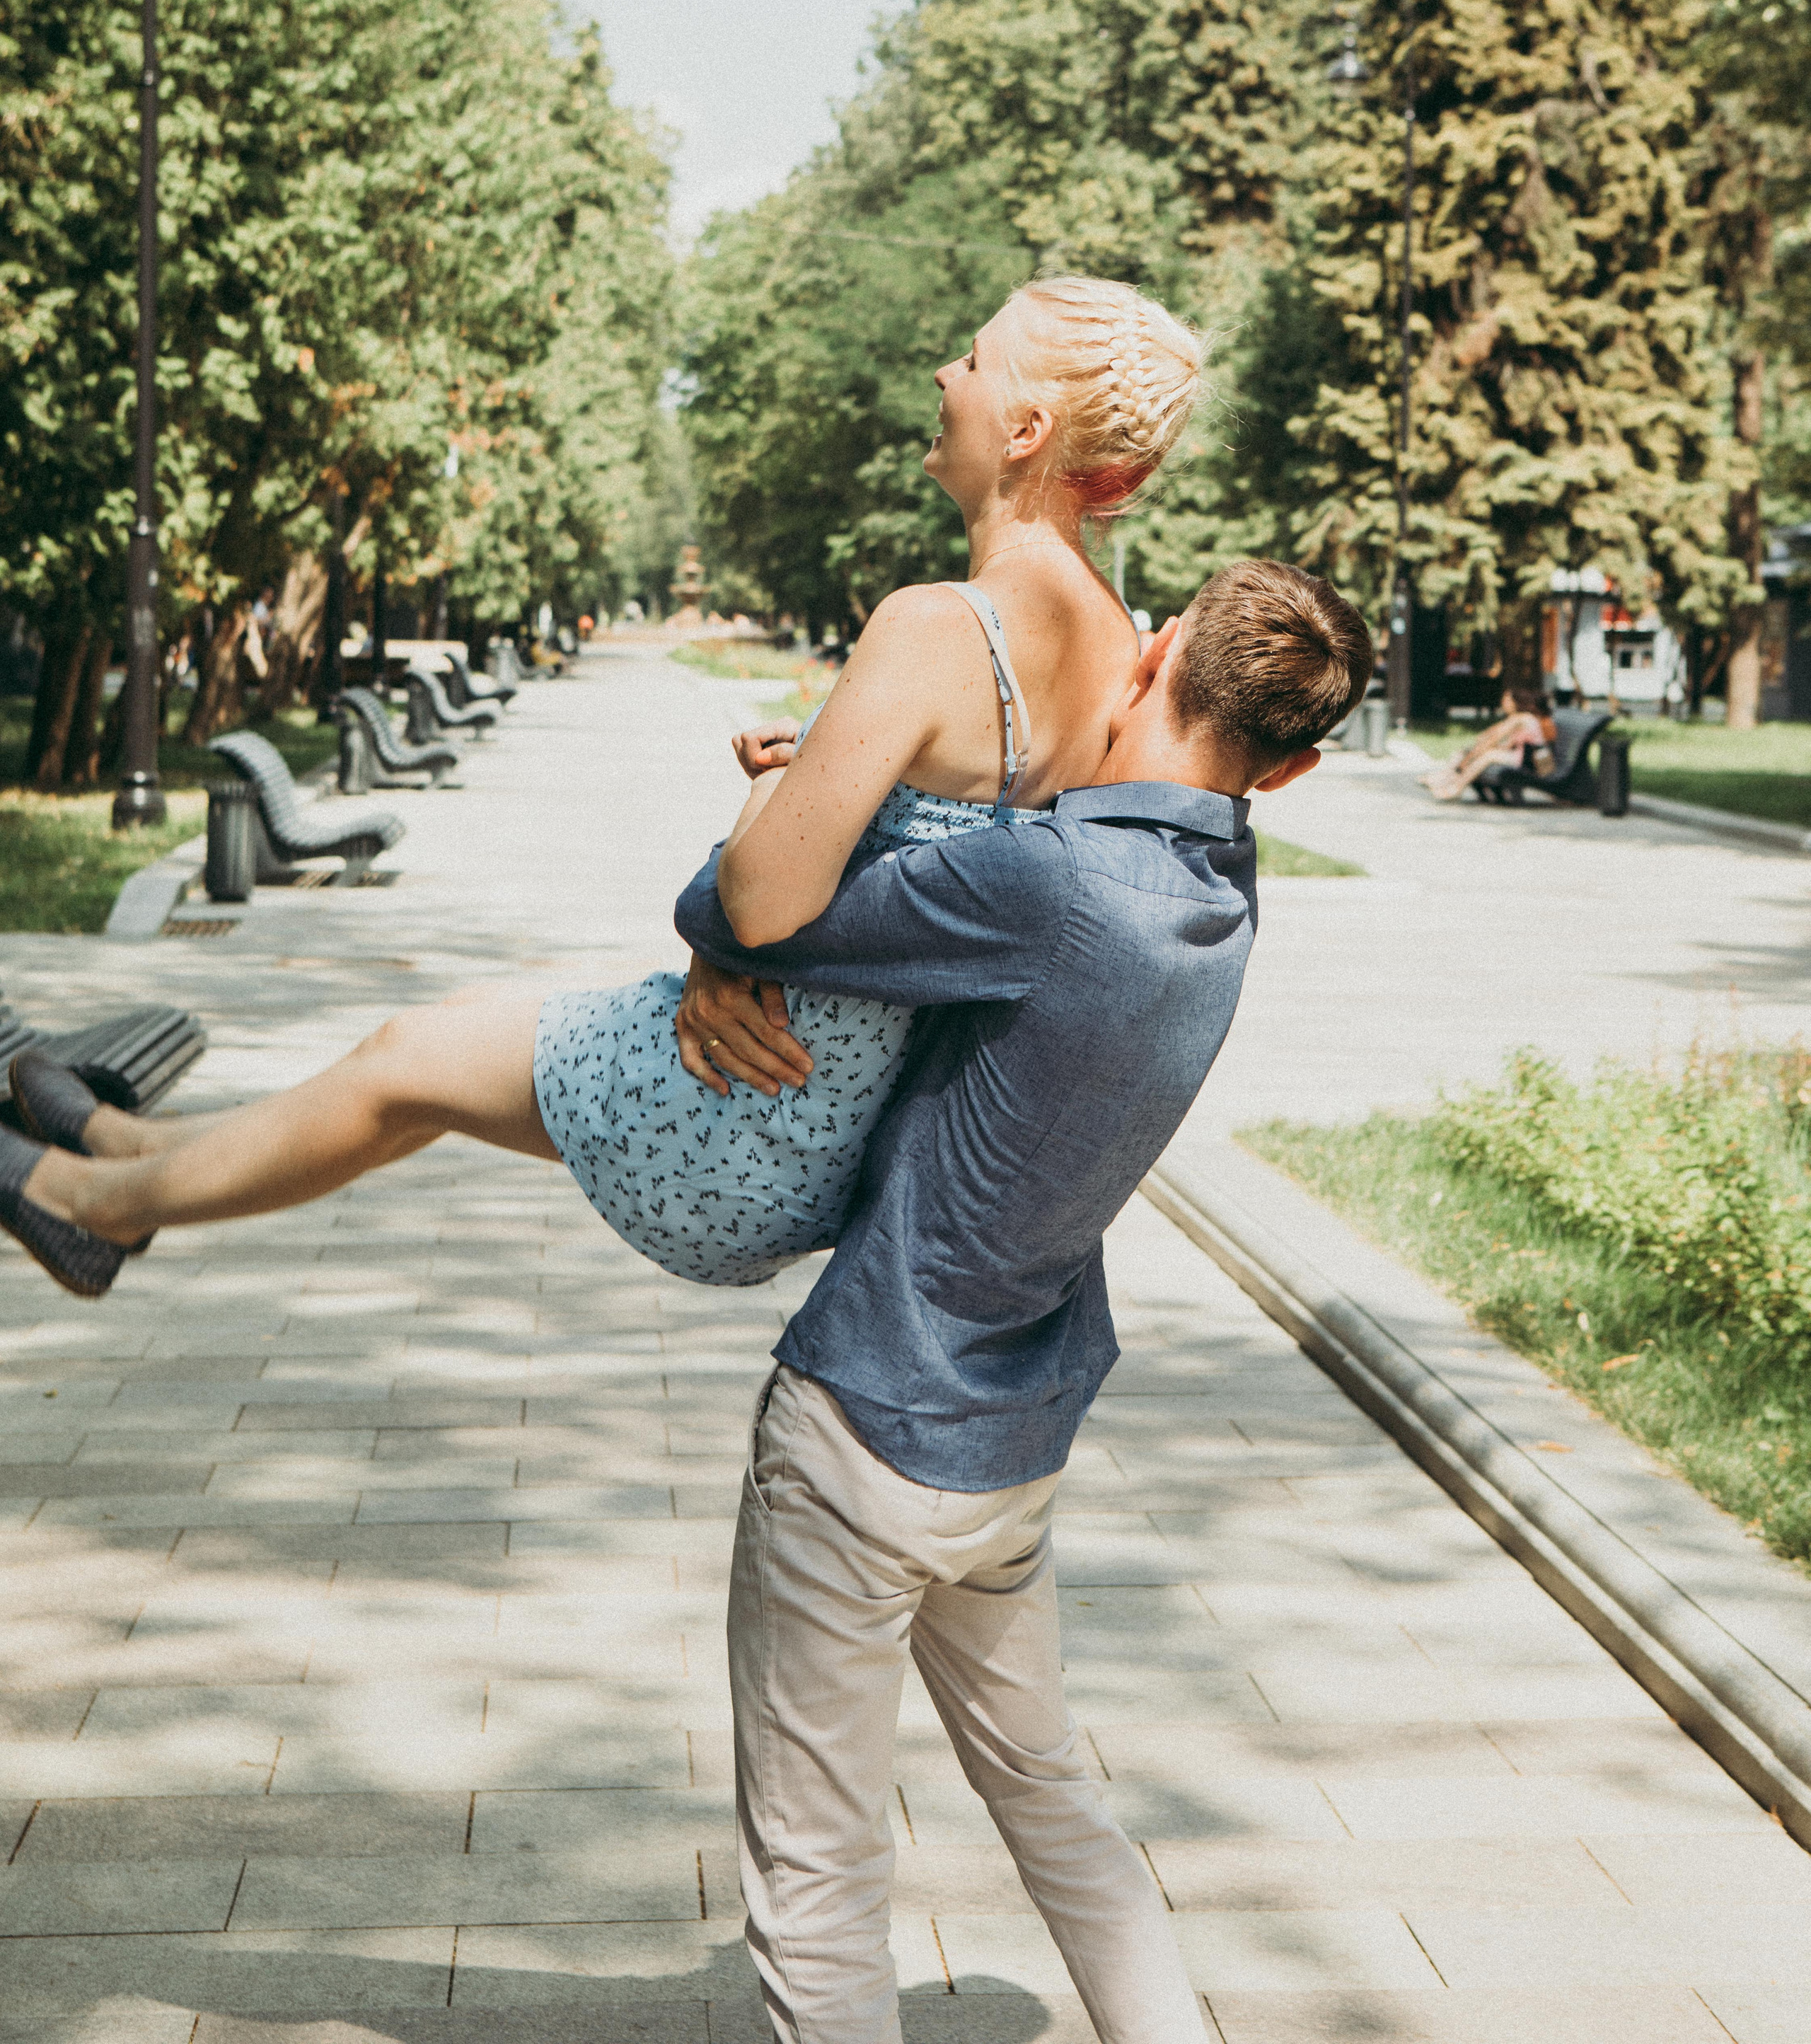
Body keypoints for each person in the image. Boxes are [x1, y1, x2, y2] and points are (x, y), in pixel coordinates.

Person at [0, 275, 1202, 1299]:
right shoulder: (1119, 641)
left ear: (1029, 428)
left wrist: (753, 862)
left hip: (743, 1104)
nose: (947, 371)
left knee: (401, 1058)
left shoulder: (938, 622)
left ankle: (89, 1202)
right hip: (848, 1129)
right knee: (413, 1078)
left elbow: (765, 897)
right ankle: (124, 1145)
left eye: (977, 360)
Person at [674, 556, 1373, 2044]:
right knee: (1049, 1794)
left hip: (865, 1427)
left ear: (1154, 648)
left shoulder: (1046, 884)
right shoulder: (1217, 893)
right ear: (1296, 768)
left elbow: (742, 905)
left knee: (813, 1875)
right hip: (1011, 1448)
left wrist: (788, 796)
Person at [1422, 686, 1556, 801]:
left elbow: (1496, 737)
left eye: (1507, 699)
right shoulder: (1520, 719)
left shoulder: (1522, 718)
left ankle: (1456, 788)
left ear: (1517, 702)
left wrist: (1481, 750)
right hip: (1523, 756)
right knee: (1479, 753)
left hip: (1530, 761)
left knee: (1488, 755)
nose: (1503, 702)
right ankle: (1448, 780)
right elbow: (1503, 741)